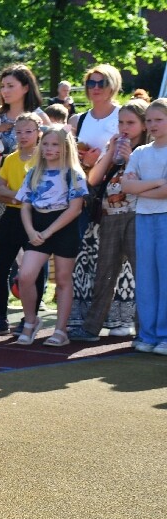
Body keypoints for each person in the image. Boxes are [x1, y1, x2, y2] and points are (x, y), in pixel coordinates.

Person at [70, 101, 145, 342]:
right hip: (109, 217)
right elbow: (92, 179)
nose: (125, 128)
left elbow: (147, 178)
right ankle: (92, 327)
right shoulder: (114, 147)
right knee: (105, 273)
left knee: (141, 275)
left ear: (143, 126)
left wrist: (129, 157)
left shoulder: (147, 150)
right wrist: (111, 151)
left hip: (136, 216)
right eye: (121, 122)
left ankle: (145, 330)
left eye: (131, 123)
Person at [14, 125, 88, 346]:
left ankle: (60, 330)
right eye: (45, 143)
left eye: (55, 144)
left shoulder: (74, 174)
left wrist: (49, 231)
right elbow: (25, 205)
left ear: (66, 147)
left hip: (64, 226)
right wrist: (30, 230)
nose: (49, 148)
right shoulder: (33, 172)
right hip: (37, 225)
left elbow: (75, 208)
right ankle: (30, 321)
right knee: (26, 275)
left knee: (63, 279)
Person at [0, 113, 45, 336]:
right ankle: (0, 317)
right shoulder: (9, 159)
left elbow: (41, 194)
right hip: (11, 218)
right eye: (18, 132)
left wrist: (17, 195)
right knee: (1, 268)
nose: (23, 136)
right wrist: (21, 196)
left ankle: (31, 317)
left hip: (36, 218)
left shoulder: (44, 158)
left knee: (35, 271)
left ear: (38, 132)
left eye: (28, 131)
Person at [119, 98, 167, 354]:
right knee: (146, 279)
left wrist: (143, 187)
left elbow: (165, 193)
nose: (152, 125)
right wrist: (158, 183)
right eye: (149, 120)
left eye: (158, 119)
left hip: (165, 217)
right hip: (143, 218)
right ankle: (148, 334)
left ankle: (165, 335)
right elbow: (127, 187)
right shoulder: (140, 153)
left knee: (165, 278)